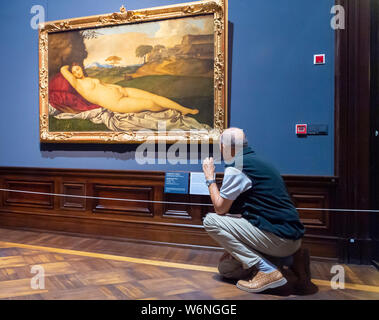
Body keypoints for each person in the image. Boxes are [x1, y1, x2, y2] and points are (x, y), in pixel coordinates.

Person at [202, 128, 317, 294]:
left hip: (278, 237)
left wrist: (209, 178)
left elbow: (220, 208)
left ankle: (268, 271)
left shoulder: (237, 166)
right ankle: (292, 260)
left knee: (210, 221)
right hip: (292, 239)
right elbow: (238, 212)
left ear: (225, 147)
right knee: (226, 268)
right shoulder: (258, 161)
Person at [60, 64, 199, 115]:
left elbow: (105, 85)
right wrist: (67, 66)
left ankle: (183, 109)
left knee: (152, 97)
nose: (77, 73)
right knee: (150, 104)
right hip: (116, 102)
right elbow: (63, 70)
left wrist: (118, 87)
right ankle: (171, 111)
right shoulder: (77, 85)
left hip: (122, 90)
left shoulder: (89, 79)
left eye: (78, 69)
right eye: (74, 72)